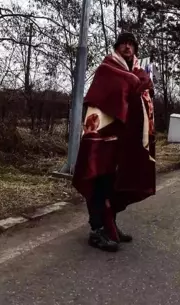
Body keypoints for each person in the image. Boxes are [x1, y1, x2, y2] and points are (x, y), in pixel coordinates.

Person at [72, 32, 156, 253]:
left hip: (125, 139)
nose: (127, 47)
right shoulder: (107, 69)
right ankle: (96, 230)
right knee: (98, 179)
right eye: (123, 44)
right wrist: (135, 82)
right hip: (102, 138)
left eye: (131, 44)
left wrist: (140, 83)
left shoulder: (137, 72)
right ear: (116, 47)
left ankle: (111, 225)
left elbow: (143, 92)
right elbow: (109, 96)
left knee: (115, 182)